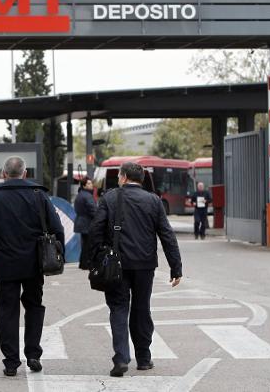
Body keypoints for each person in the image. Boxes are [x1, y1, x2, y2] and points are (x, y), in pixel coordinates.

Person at [0, 156, 65, 377]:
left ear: (4, 174)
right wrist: (59, 255)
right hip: (35, 263)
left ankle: (11, 362)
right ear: (25, 174)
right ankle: (33, 354)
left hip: (5, 265)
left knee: (7, 312)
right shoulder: (39, 194)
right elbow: (57, 228)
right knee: (34, 306)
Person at [90, 161, 182, 378]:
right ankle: (143, 358)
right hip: (145, 265)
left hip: (116, 266)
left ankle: (121, 358)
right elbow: (166, 234)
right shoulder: (154, 201)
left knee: (119, 308)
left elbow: (96, 230)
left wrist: (92, 261)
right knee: (142, 309)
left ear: (122, 177)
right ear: (140, 180)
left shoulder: (110, 198)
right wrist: (175, 267)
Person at [74, 176, 97, 270]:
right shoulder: (87, 196)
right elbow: (93, 210)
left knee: (85, 244)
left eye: (91, 183)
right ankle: (87, 264)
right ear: (84, 186)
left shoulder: (80, 194)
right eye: (89, 183)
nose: (91, 185)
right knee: (89, 244)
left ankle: (83, 263)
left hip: (81, 222)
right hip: (87, 223)